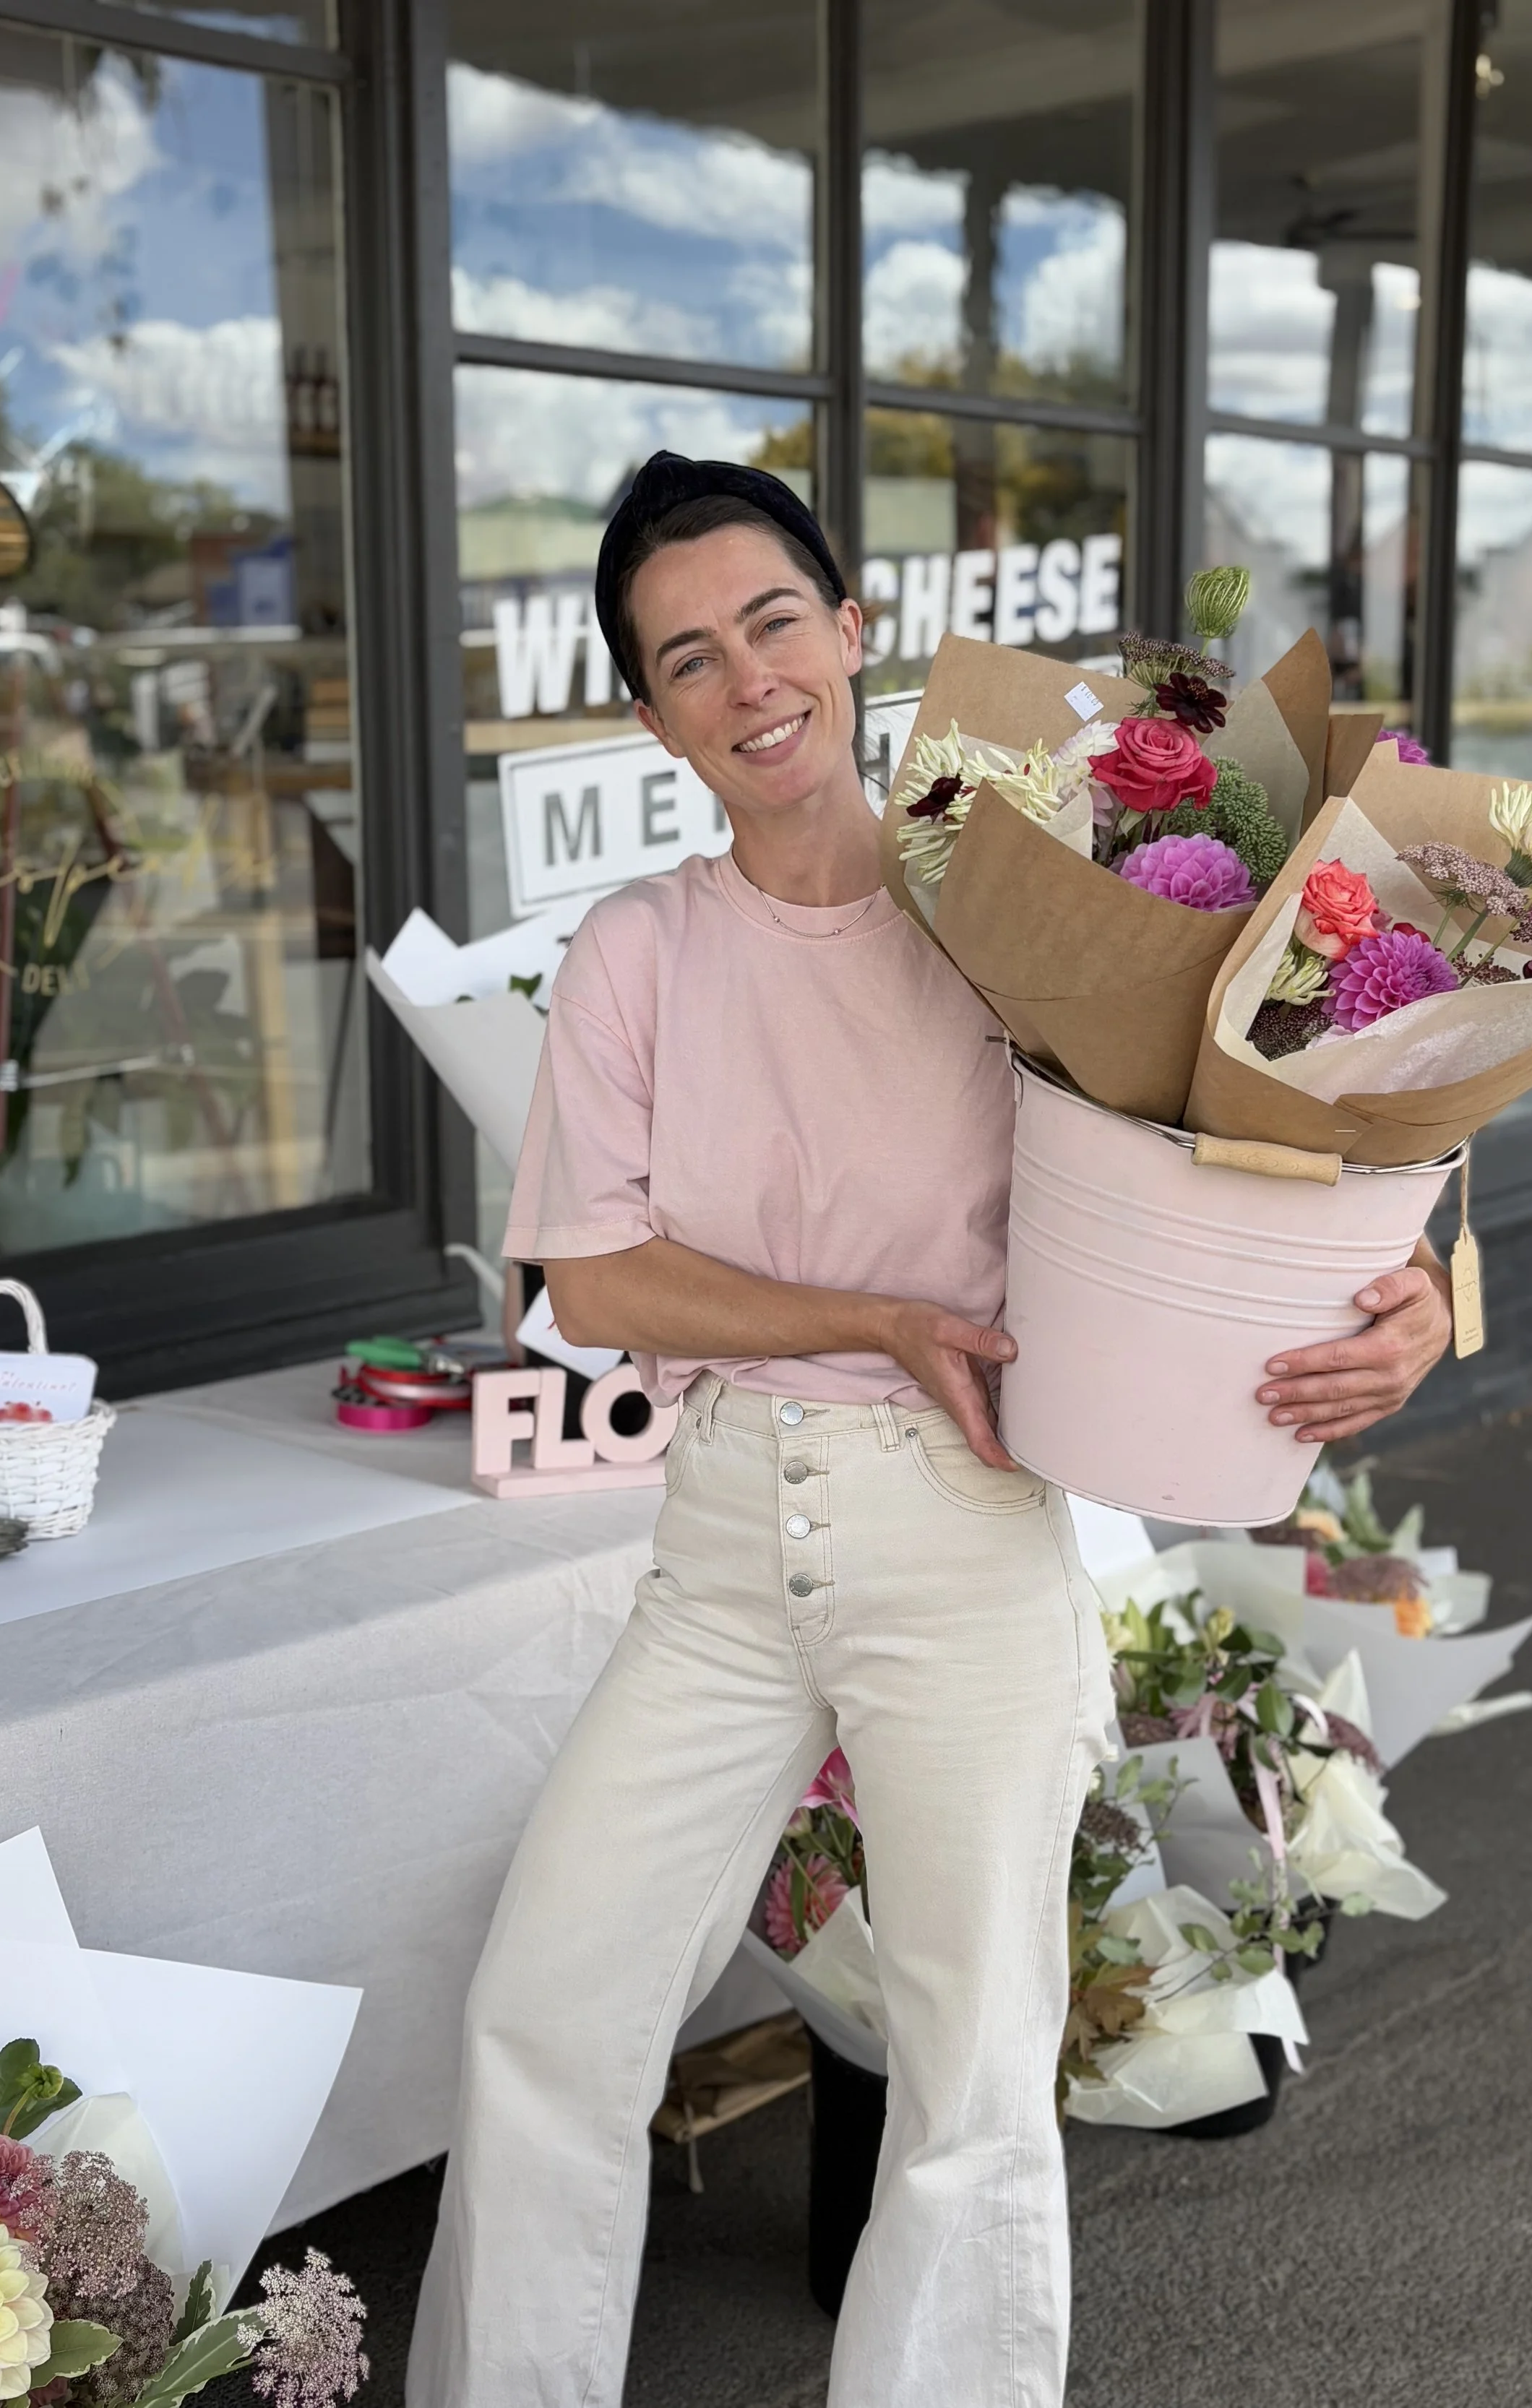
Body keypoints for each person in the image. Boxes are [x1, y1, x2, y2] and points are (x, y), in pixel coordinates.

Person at [407, 453, 1453, 2408]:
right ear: (650, 716)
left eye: (772, 622)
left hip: (964, 1541)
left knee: (972, 2087)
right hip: (723, 1556)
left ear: (853, 629)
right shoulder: (638, 950)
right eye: (687, 659)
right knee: (545, 2012)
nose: (747, 681)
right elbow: (597, 1282)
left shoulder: (1018, 910)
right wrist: (871, 1318)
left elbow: (1281, 1138)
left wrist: (1424, 1290)